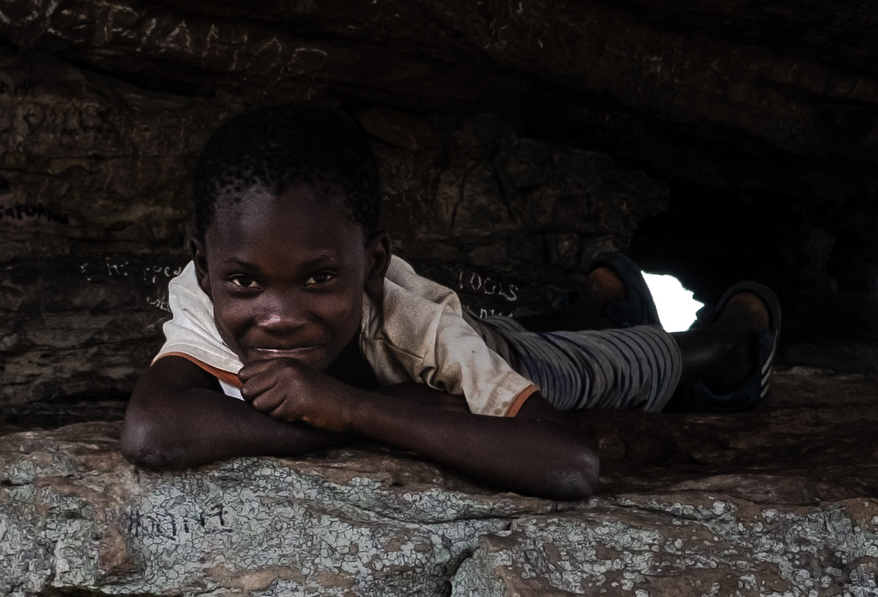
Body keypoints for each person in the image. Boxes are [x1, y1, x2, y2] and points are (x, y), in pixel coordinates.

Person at [120, 103, 780, 501]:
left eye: (319, 280)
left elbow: (569, 464)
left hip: (485, 354)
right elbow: (152, 431)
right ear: (205, 269)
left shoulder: (417, 323)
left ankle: (723, 342)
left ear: (371, 264)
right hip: (435, 360)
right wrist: (362, 414)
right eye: (244, 284)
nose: (280, 314)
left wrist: (351, 405)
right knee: (500, 332)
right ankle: (586, 309)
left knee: (580, 368)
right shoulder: (208, 290)